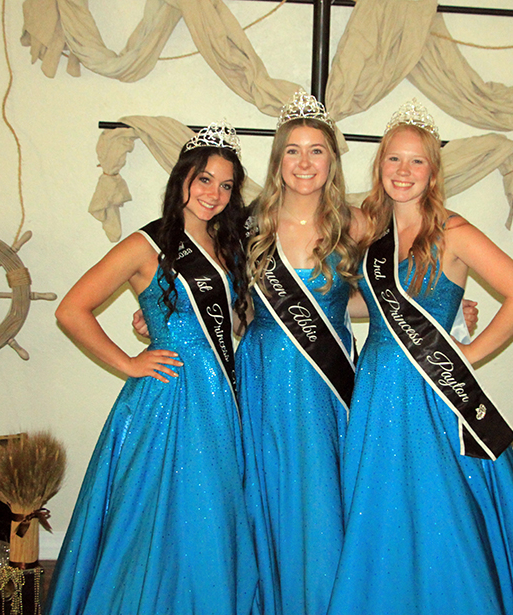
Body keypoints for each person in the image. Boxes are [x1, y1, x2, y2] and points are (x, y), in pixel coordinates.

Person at [326, 100, 513, 615]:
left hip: (433, 390)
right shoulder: (370, 232)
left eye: (416, 161)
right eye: (394, 159)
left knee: (440, 503)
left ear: (433, 171)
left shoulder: (452, 231)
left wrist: (469, 352)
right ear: (379, 165)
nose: (403, 171)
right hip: (376, 387)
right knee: (383, 503)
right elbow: (367, 303)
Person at [45, 123, 258, 615]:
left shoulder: (227, 244)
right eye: (204, 180)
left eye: (226, 185)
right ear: (182, 178)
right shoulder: (147, 243)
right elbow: (71, 309)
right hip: (170, 400)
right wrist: (129, 361)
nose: (214, 194)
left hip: (222, 400)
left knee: (210, 515)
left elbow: (234, 321)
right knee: (156, 521)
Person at [236, 91, 360, 615]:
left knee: (321, 493)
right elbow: (230, 301)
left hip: (325, 382)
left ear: (331, 161)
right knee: (266, 489)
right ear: (278, 160)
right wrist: (161, 317)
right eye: (293, 150)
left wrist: (449, 306)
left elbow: (381, 291)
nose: (304, 162)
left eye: (316, 151)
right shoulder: (247, 224)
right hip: (263, 374)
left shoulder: (355, 223)